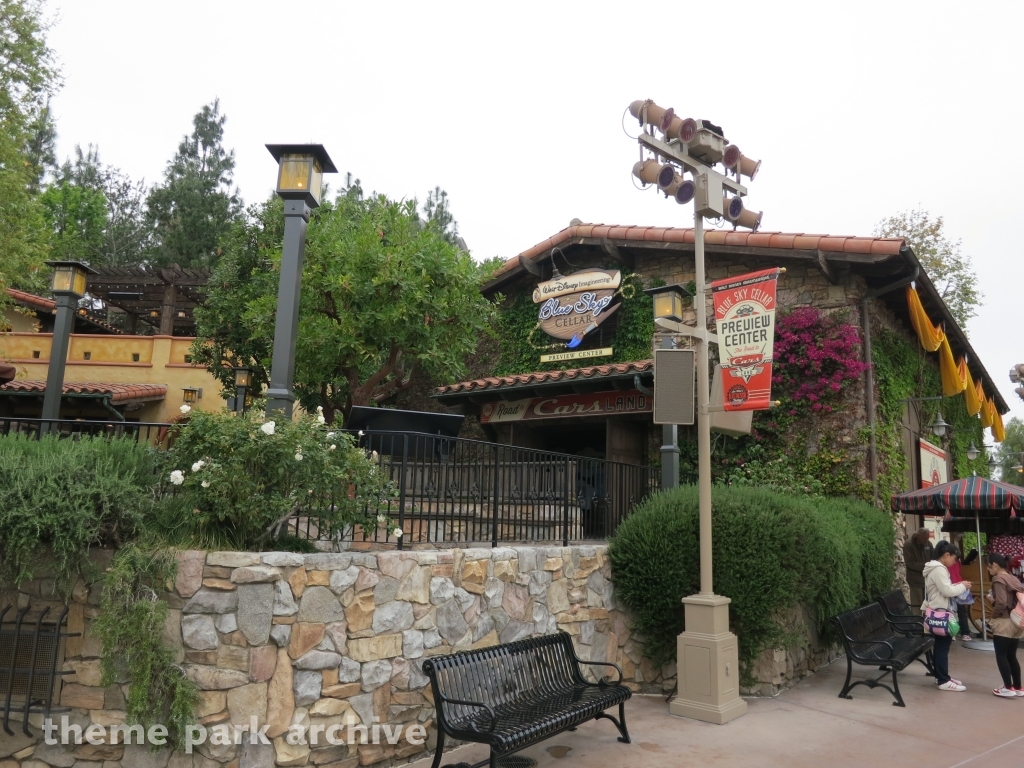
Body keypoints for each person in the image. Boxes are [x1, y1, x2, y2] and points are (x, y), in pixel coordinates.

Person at [923, 540, 971, 691]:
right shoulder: (939, 569)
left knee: (940, 646)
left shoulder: (935, 568)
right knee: (942, 646)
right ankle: (943, 680)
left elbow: (943, 588)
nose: (954, 562)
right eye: (954, 559)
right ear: (946, 555)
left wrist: (957, 585)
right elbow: (947, 591)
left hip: (937, 610)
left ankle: (941, 677)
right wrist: (962, 586)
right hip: (941, 612)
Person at [985, 553, 1024, 697]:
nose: (988, 569)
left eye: (988, 566)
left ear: (994, 565)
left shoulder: (998, 579)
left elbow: (1001, 602)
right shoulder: (1013, 578)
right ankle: (1018, 687)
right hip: (1018, 621)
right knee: (1011, 655)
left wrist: (993, 616)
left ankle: (1008, 687)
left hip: (1004, 621)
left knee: (1001, 655)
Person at [905, 528, 933, 613]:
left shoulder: (928, 544)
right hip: (915, 581)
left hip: (927, 580)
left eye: (927, 538)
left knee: (928, 607)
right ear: (918, 535)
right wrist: (926, 566)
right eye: (924, 538)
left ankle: (927, 621)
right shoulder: (909, 544)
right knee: (916, 607)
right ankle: (916, 621)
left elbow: (933, 558)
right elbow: (910, 563)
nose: (926, 540)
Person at [948, 548, 972, 641]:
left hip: (958, 586)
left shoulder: (956, 562)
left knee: (959, 611)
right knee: (955, 611)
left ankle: (963, 632)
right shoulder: (950, 563)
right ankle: (959, 632)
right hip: (952, 587)